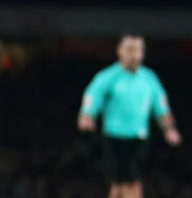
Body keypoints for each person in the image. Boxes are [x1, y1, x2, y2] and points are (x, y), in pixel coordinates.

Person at [77, 34, 181, 198]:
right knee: (124, 183)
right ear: (120, 51)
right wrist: (86, 115)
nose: (135, 55)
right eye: (130, 50)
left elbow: (161, 106)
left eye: (139, 50)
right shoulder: (108, 76)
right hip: (114, 138)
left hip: (139, 138)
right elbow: (92, 95)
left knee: (127, 184)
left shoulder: (149, 78)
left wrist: (169, 129)